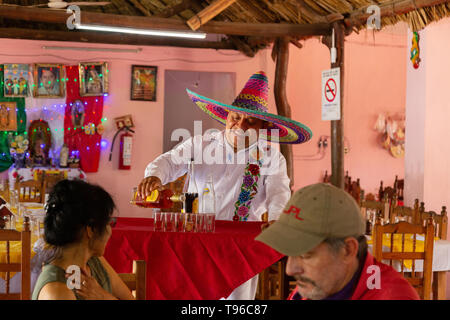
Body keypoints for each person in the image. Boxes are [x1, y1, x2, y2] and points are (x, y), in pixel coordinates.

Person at [137, 71, 313, 300]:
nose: (240, 125)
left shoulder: (271, 156)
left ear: (262, 126)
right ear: (226, 116)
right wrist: (154, 176)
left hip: (240, 245)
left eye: (250, 121)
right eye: (235, 117)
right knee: (192, 297)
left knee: (236, 302)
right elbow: (170, 161)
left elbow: (279, 192)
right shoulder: (201, 144)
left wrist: (278, 220)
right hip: (196, 237)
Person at [255, 183, 420, 300]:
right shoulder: (321, 285)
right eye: (290, 253)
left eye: (305, 254)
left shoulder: (391, 296)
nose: (289, 270)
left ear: (347, 250)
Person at [32, 180, 134, 300]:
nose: (110, 231)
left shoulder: (94, 260)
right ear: (91, 229)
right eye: (109, 222)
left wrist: (102, 296)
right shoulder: (57, 292)